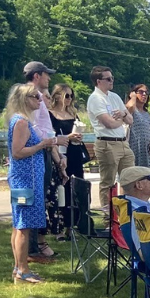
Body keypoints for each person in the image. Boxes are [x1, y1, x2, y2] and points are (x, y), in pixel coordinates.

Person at [6, 84, 57, 284]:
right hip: (25, 181)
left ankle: (18, 268)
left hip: (27, 180)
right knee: (23, 226)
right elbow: (18, 152)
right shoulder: (21, 122)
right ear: (24, 99)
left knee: (20, 225)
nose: (40, 100)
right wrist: (42, 145)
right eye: (35, 97)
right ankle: (23, 271)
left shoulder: (22, 121)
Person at [26, 62, 65, 261]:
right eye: (46, 75)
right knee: (36, 200)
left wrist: (57, 154)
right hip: (39, 152)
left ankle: (35, 247)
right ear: (36, 76)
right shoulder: (33, 98)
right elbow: (33, 127)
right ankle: (32, 249)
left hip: (46, 150)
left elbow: (44, 126)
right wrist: (54, 141)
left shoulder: (38, 96)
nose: (49, 78)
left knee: (40, 200)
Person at [87, 65, 134, 210]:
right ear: (98, 81)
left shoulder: (114, 97)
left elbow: (131, 120)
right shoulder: (95, 99)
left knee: (130, 179)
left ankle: (127, 214)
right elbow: (109, 123)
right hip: (107, 143)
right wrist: (122, 118)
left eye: (112, 78)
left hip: (123, 142)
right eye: (108, 79)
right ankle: (108, 217)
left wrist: (123, 115)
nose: (111, 81)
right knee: (108, 182)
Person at [47, 83, 86, 238]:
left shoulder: (73, 114)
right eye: (66, 96)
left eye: (71, 96)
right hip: (61, 153)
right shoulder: (50, 114)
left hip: (75, 152)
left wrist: (77, 136)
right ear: (57, 96)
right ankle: (60, 227)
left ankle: (73, 225)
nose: (69, 99)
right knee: (62, 189)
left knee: (76, 188)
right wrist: (67, 137)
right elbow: (50, 136)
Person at [126, 84, 150, 169]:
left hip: (147, 151)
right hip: (134, 148)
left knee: (146, 178)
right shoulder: (132, 111)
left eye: (146, 92)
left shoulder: (147, 113)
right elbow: (130, 106)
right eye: (141, 92)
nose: (144, 94)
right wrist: (133, 97)